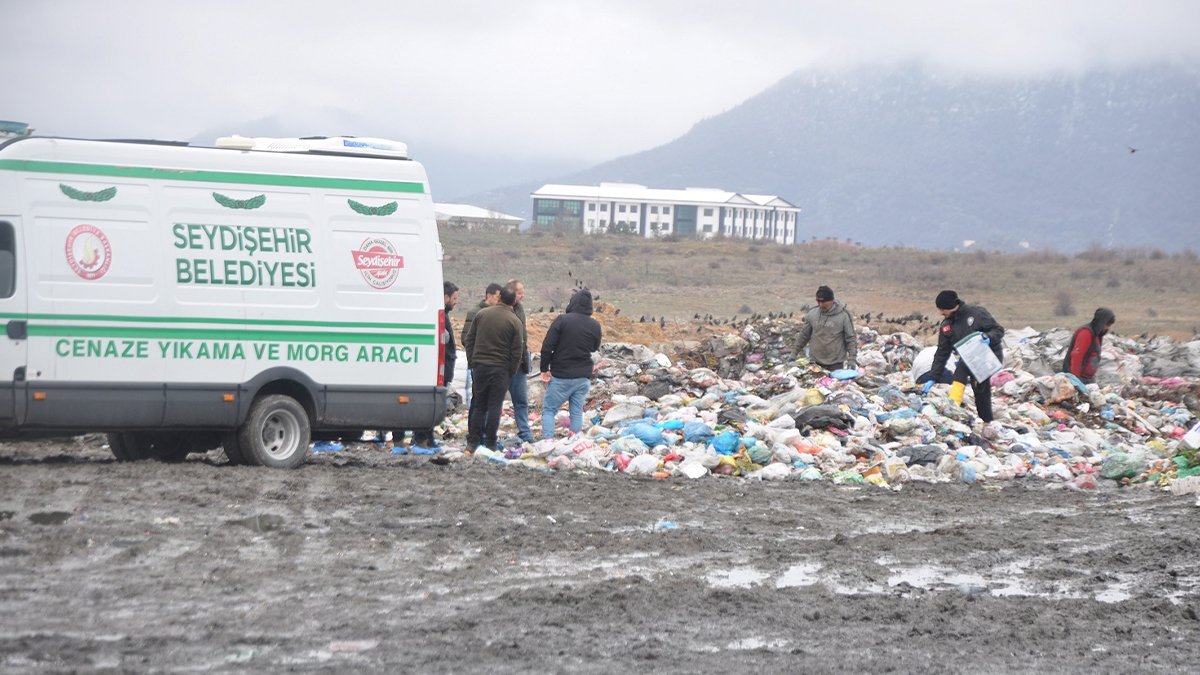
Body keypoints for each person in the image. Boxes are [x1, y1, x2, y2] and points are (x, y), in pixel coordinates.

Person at [926, 290, 1005, 423]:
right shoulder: (946, 326)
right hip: (970, 359)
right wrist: (933, 377)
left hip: (989, 355)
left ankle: (954, 408)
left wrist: (987, 337)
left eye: (942, 309)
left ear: (951, 306)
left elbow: (998, 330)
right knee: (977, 386)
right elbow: (942, 353)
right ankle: (985, 422)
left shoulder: (976, 314)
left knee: (973, 381)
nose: (940, 313)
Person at [464, 285, 524, 451]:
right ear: (513, 302)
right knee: (494, 406)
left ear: (499, 298)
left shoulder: (482, 314)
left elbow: (470, 340)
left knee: (479, 405)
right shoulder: (515, 321)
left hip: (480, 367)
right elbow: (517, 351)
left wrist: (473, 362)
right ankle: (490, 443)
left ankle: (473, 443)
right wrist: (511, 371)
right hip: (501, 369)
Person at [539, 288, 602, 440]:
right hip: (583, 378)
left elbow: (547, 346)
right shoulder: (595, 325)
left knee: (549, 409)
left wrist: (544, 369)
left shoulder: (562, 320)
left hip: (562, 375)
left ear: (573, 303)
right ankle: (574, 442)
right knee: (576, 411)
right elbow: (594, 347)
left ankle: (548, 441)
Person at [410, 281, 459, 453]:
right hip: (439, 370)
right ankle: (424, 439)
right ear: (445, 297)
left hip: (442, 369)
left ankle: (425, 438)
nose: (455, 302)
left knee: (433, 406)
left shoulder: (442, 315)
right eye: (453, 298)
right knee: (432, 406)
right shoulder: (438, 316)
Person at [794, 285, 857, 371]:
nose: (820, 305)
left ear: (831, 300)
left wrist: (852, 358)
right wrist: (794, 353)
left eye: (823, 302)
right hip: (815, 361)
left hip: (835, 363)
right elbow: (804, 335)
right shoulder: (812, 314)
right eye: (818, 302)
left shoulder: (843, 316)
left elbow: (850, 338)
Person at [461, 283, 502, 408]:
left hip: (494, 363)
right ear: (489, 296)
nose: (499, 300)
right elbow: (466, 338)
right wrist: (474, 358)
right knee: (479, 400)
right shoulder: (475, 312)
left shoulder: (499, 314)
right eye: (497, 297)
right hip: (479, 363)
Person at [505, 279, 535, 443]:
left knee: (521, 400)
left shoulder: (520, 309)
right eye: (519, 292)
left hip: (520, 363)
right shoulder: (499, 310)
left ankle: (525, 432)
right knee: (492, 401)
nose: (522, 295)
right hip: (503, 363)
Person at [1064, 307, 1115, 384]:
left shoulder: (1097, 335)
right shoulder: (1086, 333)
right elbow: (1077, 356)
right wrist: (1075, 380)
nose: (1107, 328)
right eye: (1107, 325)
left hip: (1087, 378)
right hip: (1077, 377)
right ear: (1101, 322)